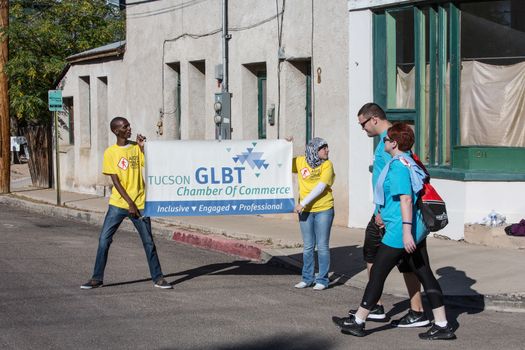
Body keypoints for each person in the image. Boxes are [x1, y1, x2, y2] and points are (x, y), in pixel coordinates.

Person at [332, 123, 456, 340]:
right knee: (425, 274)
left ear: (394, 143)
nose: (384, 142)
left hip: (401, 231)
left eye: (387, 140)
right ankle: (443, 324)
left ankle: (358, 321)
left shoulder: (398, 166)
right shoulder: (410, 162)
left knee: (378, 273)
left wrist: (406, 232)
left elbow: (406, 199)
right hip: (415, 228)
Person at [350, 102, 428, 327]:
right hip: (390, 213)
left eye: (363, 124)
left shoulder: (390, 141)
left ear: (374, 119)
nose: (362, 128)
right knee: (408, 263)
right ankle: (414, 310)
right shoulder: (391, 139)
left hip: (387, 215)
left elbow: (398, 181)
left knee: (376, 259)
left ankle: (373, 307)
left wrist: (381, 213)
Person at [81, 117, 172, 290]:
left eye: (129, 125)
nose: (129, 128)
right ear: (116, 131)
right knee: (104, 240)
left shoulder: (135, 148)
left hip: (140, 202)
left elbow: (151, 164)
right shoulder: (110, 152)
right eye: (125, 127)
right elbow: (115, 181)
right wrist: (130, 203)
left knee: (148, 242)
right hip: (119, 204)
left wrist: (143, 148)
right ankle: (96, 278)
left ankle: (158, 278)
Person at [291, 137, 335, 291]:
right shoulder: (301, 161)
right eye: (324, 148)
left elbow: (321, 187)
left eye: (327, 148)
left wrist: (302, 203)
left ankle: (322, 279)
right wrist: (285, 143)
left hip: (323, 209)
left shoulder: (327, 165)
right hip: (305, 211)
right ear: (314, 151)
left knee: (322, 245)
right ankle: (307, 278)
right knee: (308, 246)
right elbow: (281, 161)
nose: (327, 151)